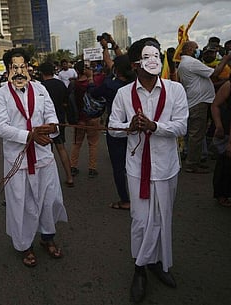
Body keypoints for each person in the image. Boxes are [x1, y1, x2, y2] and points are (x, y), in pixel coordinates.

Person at [108, 38, 188, 303]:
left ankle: (158, 263)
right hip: (136, 167)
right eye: (147, 56)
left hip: (166, 166)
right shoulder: (123, 94)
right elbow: (111, 128)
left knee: (163, 217)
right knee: (141, 219)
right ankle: (139, 269)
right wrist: (129, 127)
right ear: (135, 63)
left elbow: (181, 126)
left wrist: (156, 127)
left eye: (156, 55)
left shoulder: (175, 90)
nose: (154, 60)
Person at [0, 48, 68, 268]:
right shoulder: (1, 94)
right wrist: (30, 136)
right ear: (8, 69)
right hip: (18, 160)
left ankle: (47, 237)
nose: (19, 71)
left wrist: (50, 128)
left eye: (23, 66)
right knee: (21, 203)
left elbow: (51, 116)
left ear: (29, 67)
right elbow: (1, 128)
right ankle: (25, 246)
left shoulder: (40, 89)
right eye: (14, 67)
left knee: (49, 199)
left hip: (44, 157)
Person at [89, 54, 136, 210]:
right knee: (138, 162)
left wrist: (92, 80)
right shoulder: (137, 82)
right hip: (136, 128)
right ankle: (141, 196)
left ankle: (125, 199)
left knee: (118, 167)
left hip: (116, 127)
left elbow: (94, 93)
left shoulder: (110, 84)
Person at [177, 41, 231, 173]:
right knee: (196, 134)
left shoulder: (184, 63)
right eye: (196, 48)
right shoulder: (191, 62)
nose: (198, 51)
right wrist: (226, 59)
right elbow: (215, 73)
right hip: (198, 103)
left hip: (196, 101)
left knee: (196, 134)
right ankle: (192, 164)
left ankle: (195, 160)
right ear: (189, 49)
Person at [39, 61, 74, 187]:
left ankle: (47, 182)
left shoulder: (40, 87)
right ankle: (69, 177)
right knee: (61, 148)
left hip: (44, 123)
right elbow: (66, 101)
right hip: (59, 120)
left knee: (46, 152)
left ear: (41, 73)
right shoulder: (60, 84)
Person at [69, 60, 102, 178]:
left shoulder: (74, 84)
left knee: (76, 143)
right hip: (93, 117)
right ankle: (92, 168)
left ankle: (73, 166)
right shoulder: (93, 82)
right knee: (93, 144)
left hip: (79, 118)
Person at [210, 79, 231, 207]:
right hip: (226, 131)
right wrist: (218, 125)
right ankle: (222, 194)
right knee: (225, 164)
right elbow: (215, 105)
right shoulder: (228, 85)